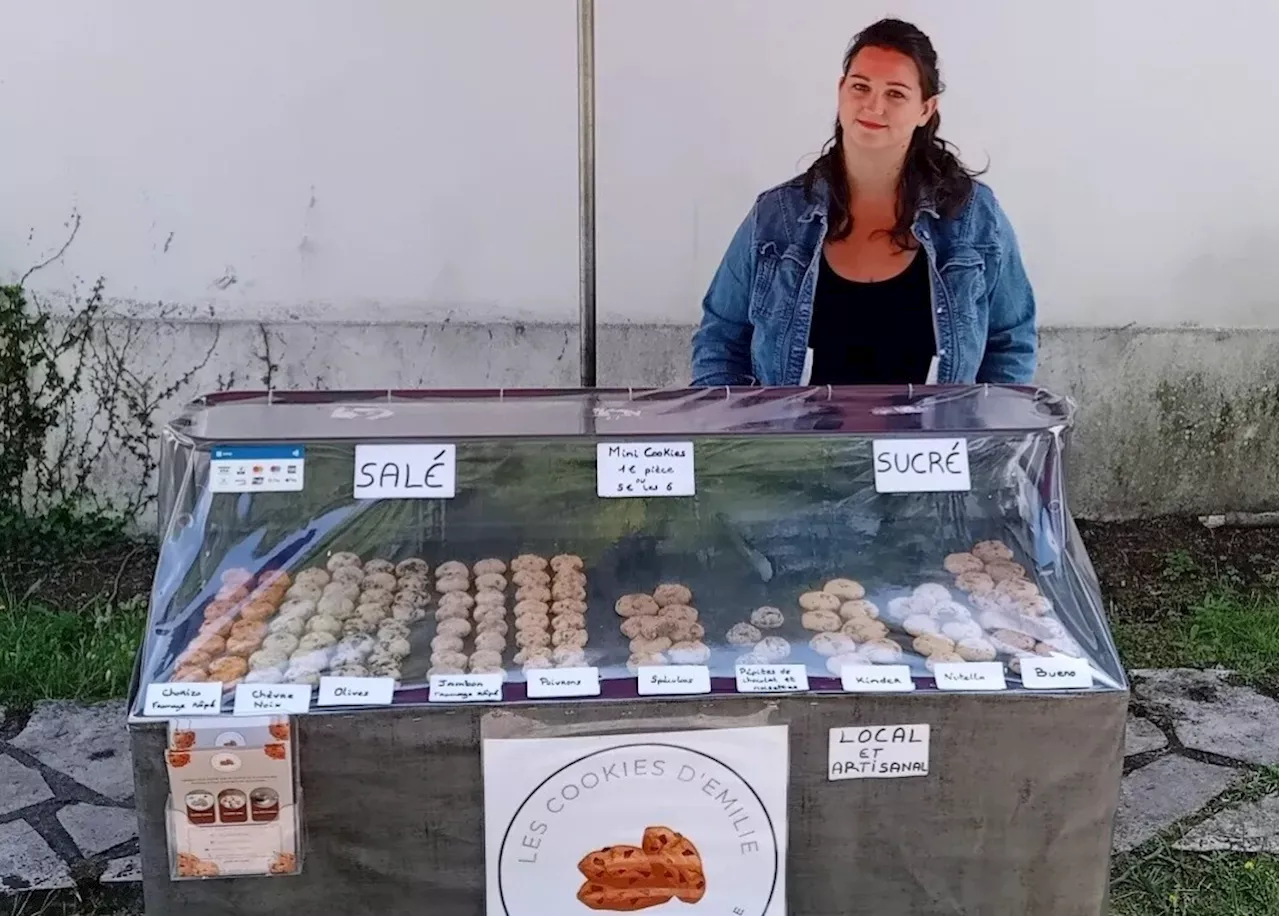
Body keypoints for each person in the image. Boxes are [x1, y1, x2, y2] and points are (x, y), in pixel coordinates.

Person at [691, 18, 1037, 388]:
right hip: (800, 446)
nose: (873, 105)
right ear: (841, 90)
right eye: (860, 86)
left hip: (933, 446)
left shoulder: (974, 217)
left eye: (896, 93)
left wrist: (986, 439)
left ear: (926, 109)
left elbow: (1011, 344)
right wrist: (743, 439)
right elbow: (720, 342)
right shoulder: (777, 217)